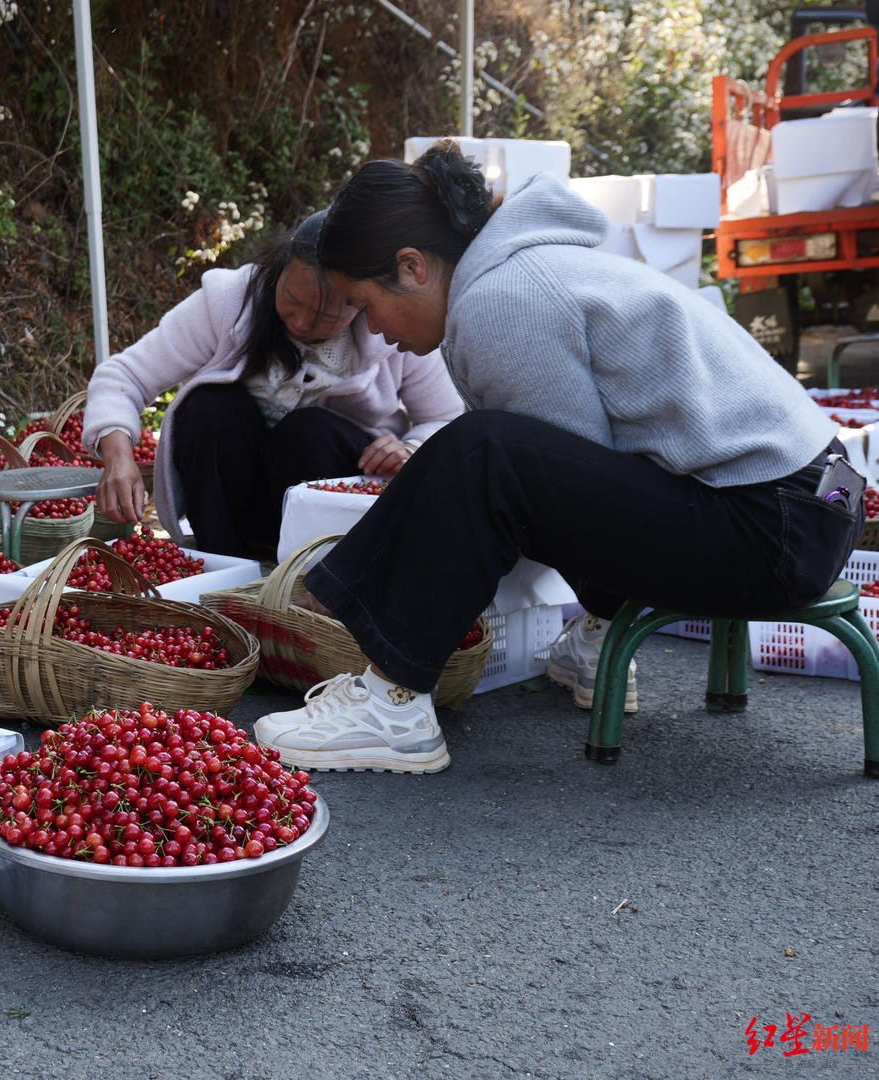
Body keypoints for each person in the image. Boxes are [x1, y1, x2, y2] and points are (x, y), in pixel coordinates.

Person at [251, 141, 857, 774]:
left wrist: (406, 551)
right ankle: (592, 638)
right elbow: (585, 478)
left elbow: (543, 485)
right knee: (484, 449)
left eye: (367, 306)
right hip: (818, 505)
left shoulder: (502, 298)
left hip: (774, 529)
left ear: (412, 268)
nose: (373, 331)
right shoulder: (530, 268)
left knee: (483, 450)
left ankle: (393, 705)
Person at [81, 209, 464, 560]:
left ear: (362, 303)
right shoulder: (228, 302)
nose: (300, 323)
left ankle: (321, 577)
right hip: (237, 505)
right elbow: (124, 376)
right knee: (208, 408)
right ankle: (225, 567)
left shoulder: (390, 326)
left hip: (336, 516)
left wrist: (409, 448)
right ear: (279, 271)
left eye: (325, 317)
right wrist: (118, 455)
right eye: (291, 300)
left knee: (307, 432)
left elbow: (447, 419)